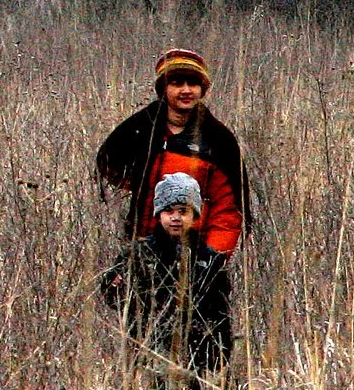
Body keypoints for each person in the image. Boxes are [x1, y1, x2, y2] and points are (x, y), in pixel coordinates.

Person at [96, 48, 247, 260]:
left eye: (193, 84)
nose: (186, 90)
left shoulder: (218, 141)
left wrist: (211, 260)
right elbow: (109, 166)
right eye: (177, 83)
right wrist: (143, 186)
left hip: (194, 254)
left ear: (202, 89)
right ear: (163, 89)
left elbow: (227, 212)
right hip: (142, 248)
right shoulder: (139, 129)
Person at [101, 172, 233, 390]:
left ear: (195, 214)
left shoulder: (209, 260)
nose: (175, 218)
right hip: (148, 355)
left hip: (195, 358)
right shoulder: (139, 254)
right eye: (169, 211)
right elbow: (113, 296)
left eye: (183, 211)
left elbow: (221, 314)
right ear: (158, 214)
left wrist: (219, 356)